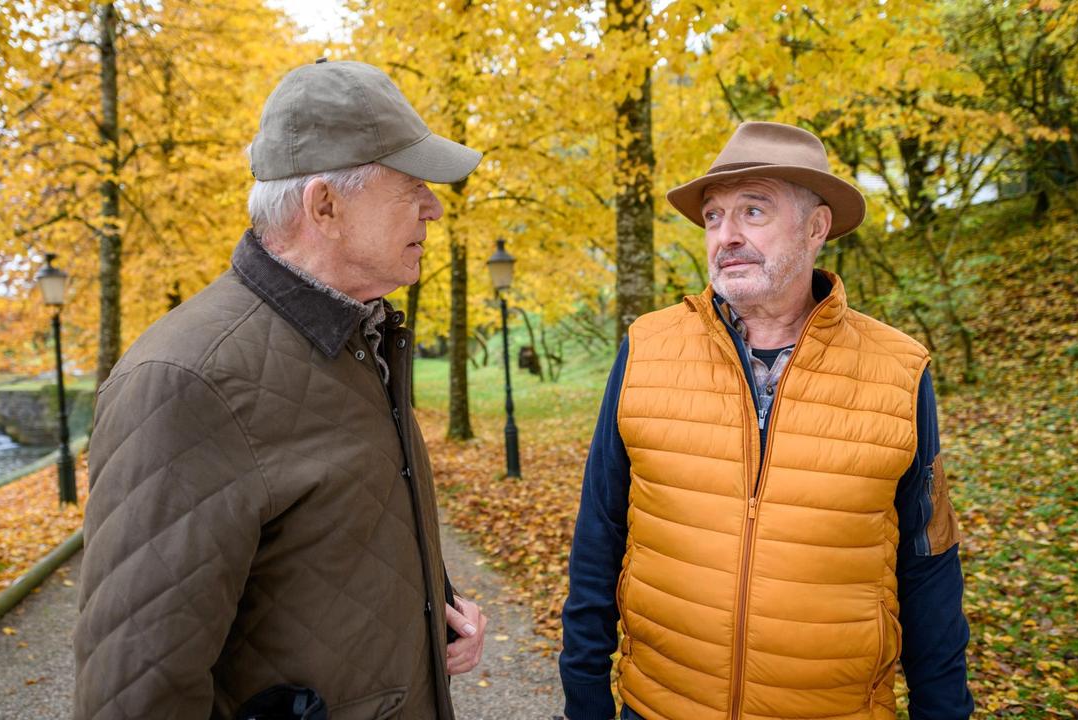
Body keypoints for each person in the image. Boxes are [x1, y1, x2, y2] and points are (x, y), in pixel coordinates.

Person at [75, 59, 488, 720]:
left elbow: (330, 533)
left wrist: (428, 607)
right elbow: (136, 692)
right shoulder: (187, 380)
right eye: (412, 185)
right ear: (324, 205)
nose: (434, 208)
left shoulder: (364, 336)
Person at [558, 122, 974, 720]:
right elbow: (598, 540)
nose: (725, 236)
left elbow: (928, 567)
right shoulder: (646, 348)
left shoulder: (899, 369)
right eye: (713, 217)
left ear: (816, 227)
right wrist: (586, 703)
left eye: (753, 211)